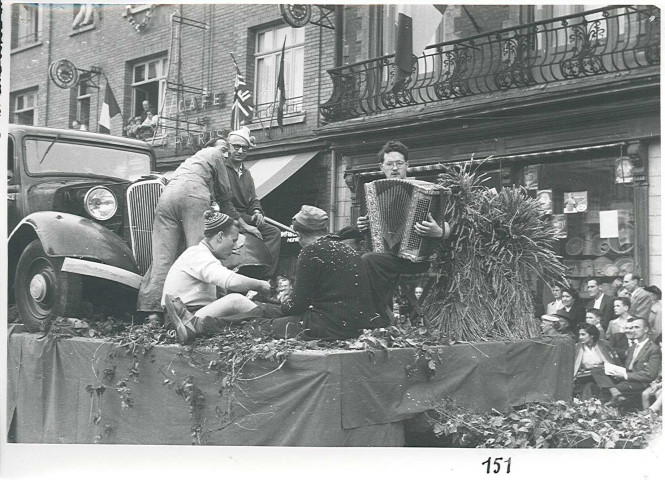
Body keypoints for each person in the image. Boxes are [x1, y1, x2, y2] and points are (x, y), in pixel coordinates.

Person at [165, 206, 378, 343]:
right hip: (349, 324)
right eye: (234, 241)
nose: (236, 247)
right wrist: (272, 300)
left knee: (259, 325)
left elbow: (296, 307)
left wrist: (277, 304)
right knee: (262, 310)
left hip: (328, 326)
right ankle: (196, 324)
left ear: (299, 234)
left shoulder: (312, 251)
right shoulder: (348, 250)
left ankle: (198, 325)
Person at [137, 138, 247, 321]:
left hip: (167, 196)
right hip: (193, 194)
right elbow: (225, 197)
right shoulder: (217, 154)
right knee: (203, 252)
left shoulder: (190, 161)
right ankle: (213, 306)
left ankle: (153, 313)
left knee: (163, 257)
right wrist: (243, 224)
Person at [358, 141, 450, 325]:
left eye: (399, 163)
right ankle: (367, 316)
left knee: (369, 261)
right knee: (357, 259)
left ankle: (379, 319)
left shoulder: (425, 189)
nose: (394, 168)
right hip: (386, 257)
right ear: (381, 167)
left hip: (416, 258)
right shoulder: (374, 191)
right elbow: (374, 228)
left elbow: (449, 223)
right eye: (390, 164)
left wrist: (439, 231)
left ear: (407, 165)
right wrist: (363, 226)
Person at [162, 211, 272, 327]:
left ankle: (272, 320)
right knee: (236, 301)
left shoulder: (202, 254)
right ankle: (274, 323)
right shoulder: (198, 254)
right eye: (233, 241)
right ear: (220, 236)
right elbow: (233, 282)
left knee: (246, 314)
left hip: (194, 314)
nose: (235, 247)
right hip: (182, 318)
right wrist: (261, 285)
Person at [223, 126, 281, 279]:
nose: (240, 151)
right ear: (228, 147)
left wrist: (257, 211)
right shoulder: (222, 169)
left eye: (244, 148)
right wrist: (245, 226)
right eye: (236, 147)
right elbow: (224, 202)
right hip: (228, 216)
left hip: (245, 216)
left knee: (273, 233)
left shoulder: (246, 173)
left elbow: (253, 198)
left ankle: (263, 276)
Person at [590, 317, 661, 406]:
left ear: (646, 329)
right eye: (632, 328)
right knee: (597, 370)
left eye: (637, 327)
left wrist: (625, 375)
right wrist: (616, 372)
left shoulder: (653, 349)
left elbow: (649, 374)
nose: (633, 330)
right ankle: (614, 396)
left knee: (611, 388)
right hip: (627, 378)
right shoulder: (632, 348)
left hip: (640, 382)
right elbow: (627, 367)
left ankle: (607, 407)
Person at [573, 323, 620, 400]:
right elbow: (575, 366)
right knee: (588, 383)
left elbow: (612, 362)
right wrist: (583, 367)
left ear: (592, 335)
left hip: (603, 374)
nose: (580, 337)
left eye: (583, 334)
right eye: (579, 335)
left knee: (590, 385)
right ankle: (613, 391)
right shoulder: (577, 347)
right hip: (584, 376)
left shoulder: (604, 345)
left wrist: (595, 366)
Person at [607, 297, 633, 363]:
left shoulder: (635, 321)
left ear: (626, 308)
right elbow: (608, 339)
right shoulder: (612, 323)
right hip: (617, 357)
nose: (615, 308)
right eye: (614, 306)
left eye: (618, 306)